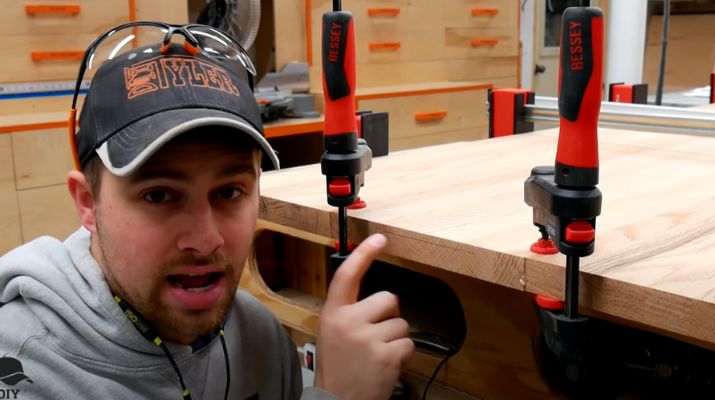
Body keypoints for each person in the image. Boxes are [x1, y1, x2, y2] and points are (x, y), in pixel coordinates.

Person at [0, 23, 414, 399]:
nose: (205, 240)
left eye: (229, 192)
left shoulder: (260, 340)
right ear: (88, 203)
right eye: (159, 196)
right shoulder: (23, 370)